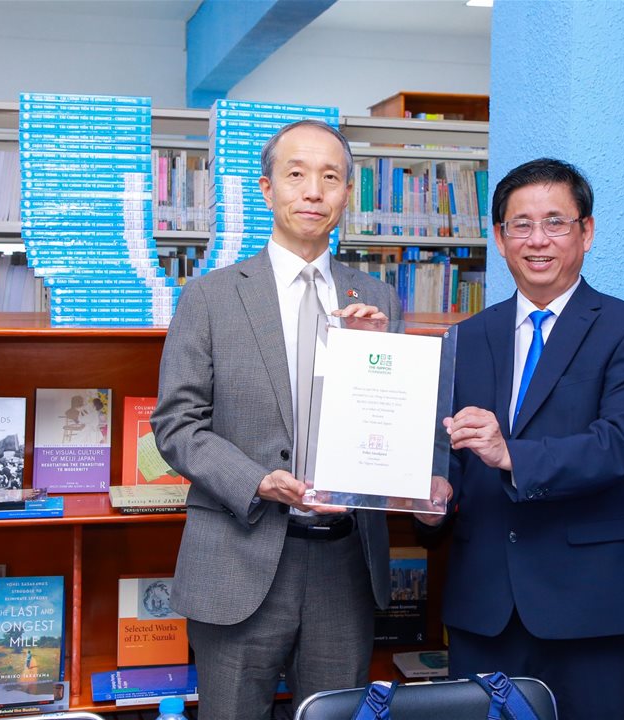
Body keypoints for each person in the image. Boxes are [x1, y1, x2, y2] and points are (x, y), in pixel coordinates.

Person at [152, 119, 415, 720]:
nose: (313, 191)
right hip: (238, 555)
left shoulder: (378, 299)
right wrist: (256, 481)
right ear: (268, 190)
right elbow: (177, 424)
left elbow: (390, 424)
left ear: (348, 193)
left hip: (343, 565)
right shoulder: (210, 296)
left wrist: (376, 356)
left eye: (330, 177)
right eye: (296, 175)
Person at [435, 158, 624, 720]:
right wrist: (430, 500)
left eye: (555, 222)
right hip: (484, 608)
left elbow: (621, 443)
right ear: (499, 238)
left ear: (586, 232)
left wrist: (509, 454)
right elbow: (447, 457)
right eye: (520, 224)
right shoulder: (464, 339)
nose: (537, 240)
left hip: (592, 608)